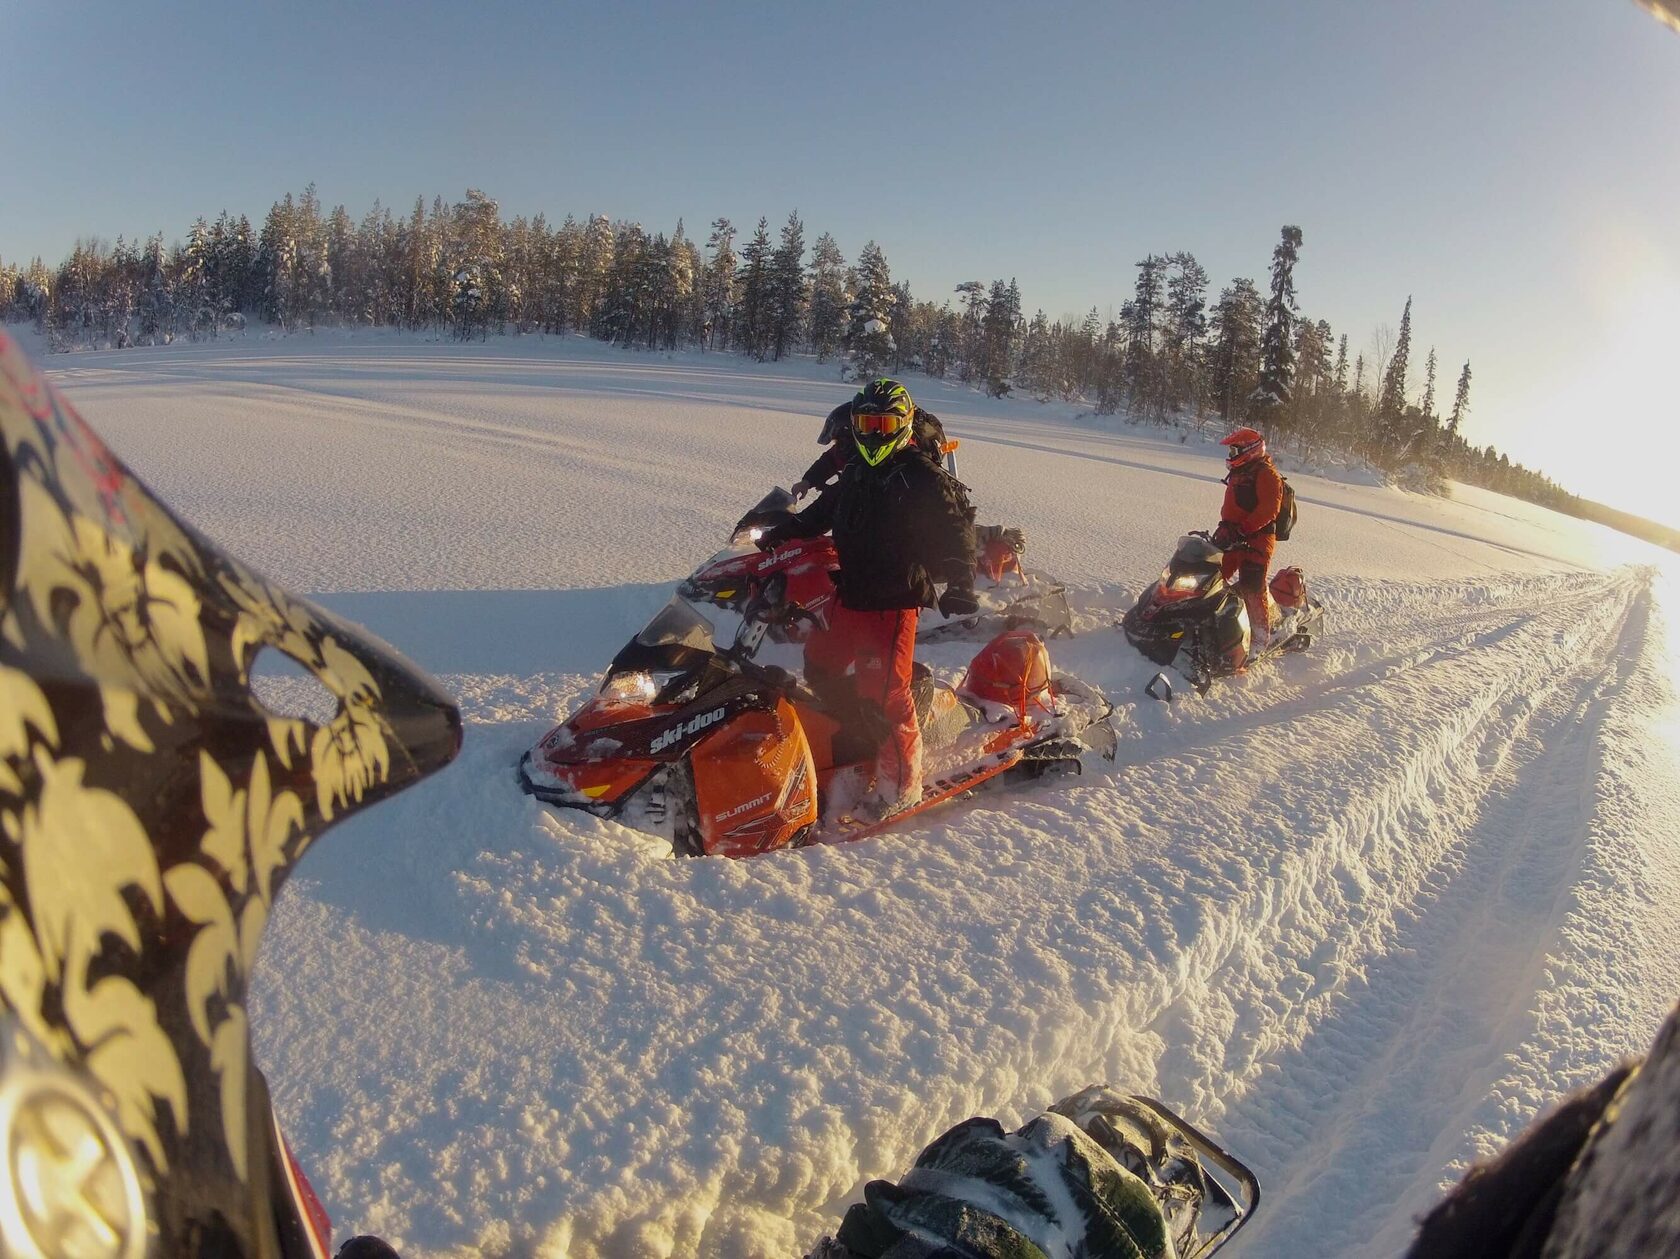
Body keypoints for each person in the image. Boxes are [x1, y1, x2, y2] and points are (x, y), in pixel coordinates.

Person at [760, 379, 978, 819]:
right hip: (853, 593)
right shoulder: (858, 469)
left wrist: (960, 583)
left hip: (893, 602)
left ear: (902, 426)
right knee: (820, 660)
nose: (875, 434)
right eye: (867, 424)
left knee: (886, 694)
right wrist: (781, 533)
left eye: (884, 424)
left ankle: (902, 785)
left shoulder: (921, 477)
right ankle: (858, 731)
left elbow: (956, 529)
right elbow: (822, 513)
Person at [791, 387, 951, 500]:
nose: (839, 445)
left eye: (840, 440)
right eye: (865, 425)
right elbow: (831, 459)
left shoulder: (905, 458)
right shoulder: (855, 448)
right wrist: (807, 481)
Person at [1212, 426, 1285, 652]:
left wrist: (1242, 529)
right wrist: (1225, 528)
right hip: (1233, 535)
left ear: (1250, 450)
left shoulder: (1267, 474)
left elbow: (1269, 510)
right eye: (1231, 451)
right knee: (1212, 575)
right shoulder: (1240, 472)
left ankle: (1260, 638)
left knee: (1252, 585)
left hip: (1257, 539)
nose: (1231, 455)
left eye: (1235, 450)